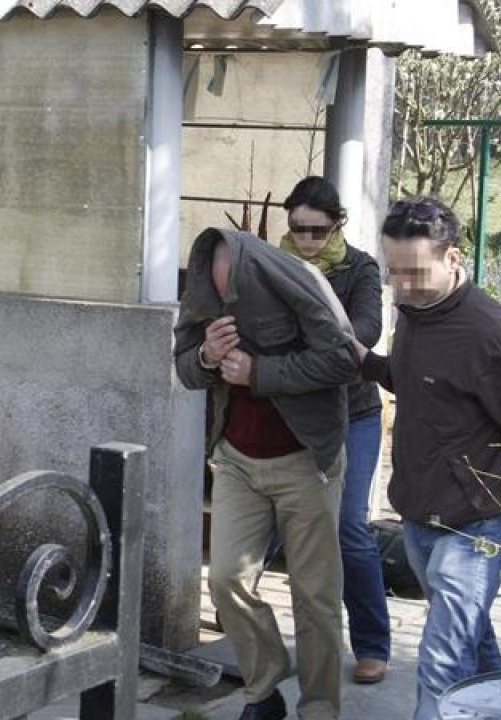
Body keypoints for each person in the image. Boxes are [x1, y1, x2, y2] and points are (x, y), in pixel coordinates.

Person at [354, 197, 501, 720]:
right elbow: (423, 383)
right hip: (420, 513)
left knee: (442, 662)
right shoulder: (415, 312)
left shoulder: (492, 335)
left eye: (415, 273)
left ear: (453, 258)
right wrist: (367, 363)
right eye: (395, 272)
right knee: (474, 646)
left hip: (475, 523)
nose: (403, 286)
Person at [175, 226, 359, 720]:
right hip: (237, 460)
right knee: (225, 580)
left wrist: (259, 373)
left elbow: (344, 360)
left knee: (315, 595)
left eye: (231, 292)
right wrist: (206, 356)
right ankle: (265, 685)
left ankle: (319, 708)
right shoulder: (204, 293)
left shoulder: (300, 280)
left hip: (306, 460)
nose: (225, 301)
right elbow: (184, 368)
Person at [275, 176, 391, 685]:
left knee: (348, 527)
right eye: (298, 228)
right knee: (291, 527)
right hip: (294, 412)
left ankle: (372, 644)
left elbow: (366, 331)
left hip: (353, 413)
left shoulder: (359, 268)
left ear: (337, 224)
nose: (306, 239)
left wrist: (310, 345)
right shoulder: (273, 265)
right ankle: (306, 642)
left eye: (317, 230)